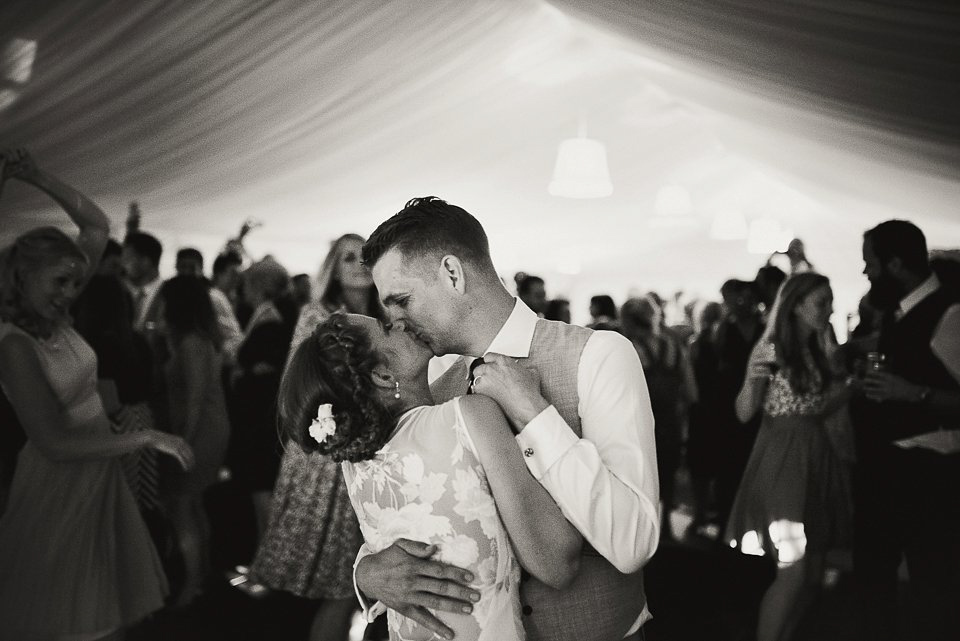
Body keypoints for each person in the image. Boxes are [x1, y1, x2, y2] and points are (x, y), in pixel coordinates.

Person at [356, 197, 659, 641]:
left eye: (401, 301)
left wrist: (534, 414)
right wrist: (366, 574)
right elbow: (407, 509)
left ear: (452, 274)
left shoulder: (597, 355)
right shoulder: (432, 385)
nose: (395, 323)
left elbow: (634, 544)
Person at [281, 311, 582, 640]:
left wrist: (363, 571)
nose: (398, 319)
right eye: (385, 327)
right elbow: (557, 564)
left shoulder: (354, 464)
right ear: (382, 374)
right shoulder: (468, 417)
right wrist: (534, 411)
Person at [0, 148, 194, 640]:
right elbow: (54, 443)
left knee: (108, 615)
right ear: (21, 279)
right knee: (70, 621)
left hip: (98, 472)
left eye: (74, 281)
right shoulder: (14, 345)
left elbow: (97, 227)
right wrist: (145, 437)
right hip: (57, 483)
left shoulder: (55, 319)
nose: (70, 292)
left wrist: (35, 174)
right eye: (59, 282)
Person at [248, 234, 381, 641]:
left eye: (365, 256)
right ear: (334, 268)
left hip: (377, 447)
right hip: (329, 453)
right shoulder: (318, 313)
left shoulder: (388, 312)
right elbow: (299, 381)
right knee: (342, 579)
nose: (359, 264)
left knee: (354, 578)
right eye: (348, 258)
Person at [725, 272, 852, 641]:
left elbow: (817, 406)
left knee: (813, 575)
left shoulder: (818, 347)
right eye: (821, 303)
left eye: (829, 301)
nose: (829, 310)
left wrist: (849, 387)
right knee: (794, 569)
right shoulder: (773, 348)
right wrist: (750, 378)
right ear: (796, 305)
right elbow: (744, 412)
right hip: (782, 459)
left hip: (815, 455)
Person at [850, 220, 960, 641]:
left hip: (927, 473)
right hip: (886, 466)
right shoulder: (901, 312)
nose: (866, 273)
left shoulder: (950, 314)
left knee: (933, 582)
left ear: (894, 263)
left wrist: (912, 393)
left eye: (869, 263)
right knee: (873, 577)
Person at [157, 275, 231, 606]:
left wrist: (181, 443)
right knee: (194, 503)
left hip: (198, 430)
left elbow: (195, 400)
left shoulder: (192, 342)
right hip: (208, 427)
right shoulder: (201, 338)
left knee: (183, 506)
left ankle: (191, 585)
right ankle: (201, 573)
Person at [620, 295, 696, 542]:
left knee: (640, 477)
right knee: (668, 475)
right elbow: (692, 391)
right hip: (670, 420)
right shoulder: (673, 346)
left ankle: (642, 533)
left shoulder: (628, 348)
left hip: (639, 422)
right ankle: (666, 530)